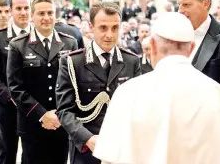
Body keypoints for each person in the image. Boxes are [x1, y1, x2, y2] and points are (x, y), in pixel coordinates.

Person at [94, 12, 220, 164]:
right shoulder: (214, 92)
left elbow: (109, 158)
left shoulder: (128, 93)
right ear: (191, 48)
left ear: (152, 45)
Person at [56, 1, 141, 164]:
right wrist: (87, 138)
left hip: (122, 150)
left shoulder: (131, 61)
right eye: (103, 28)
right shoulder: (73, 62)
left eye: (115, 28)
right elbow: (64, 111)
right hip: (87, 150)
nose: (109, 35)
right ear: (91, 26)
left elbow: (137, 108)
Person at [7, 0, 78, 164]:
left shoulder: (69, 43)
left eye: (50, 13)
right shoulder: (18, 45)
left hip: (61, 123)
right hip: (32, 124)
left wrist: (60, 115)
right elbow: (15, 88)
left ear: (55, 14)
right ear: (32, 16)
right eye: (41, 13)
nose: (46, 17)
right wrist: (42, 114)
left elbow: (75, 85)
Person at [0, 0, 31, 164]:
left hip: (33, 107)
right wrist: (9, 96)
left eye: (26, 8)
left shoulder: (37, 36)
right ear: (12, 10)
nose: (23, 12)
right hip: (7, 107)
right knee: (6, 153)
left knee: (31, 154)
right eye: (19, 8)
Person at [177, 0, 220, 84]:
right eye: (179, 5)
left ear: (205, 3)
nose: (180, 10)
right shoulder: (174, 35)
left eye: (186, 4)